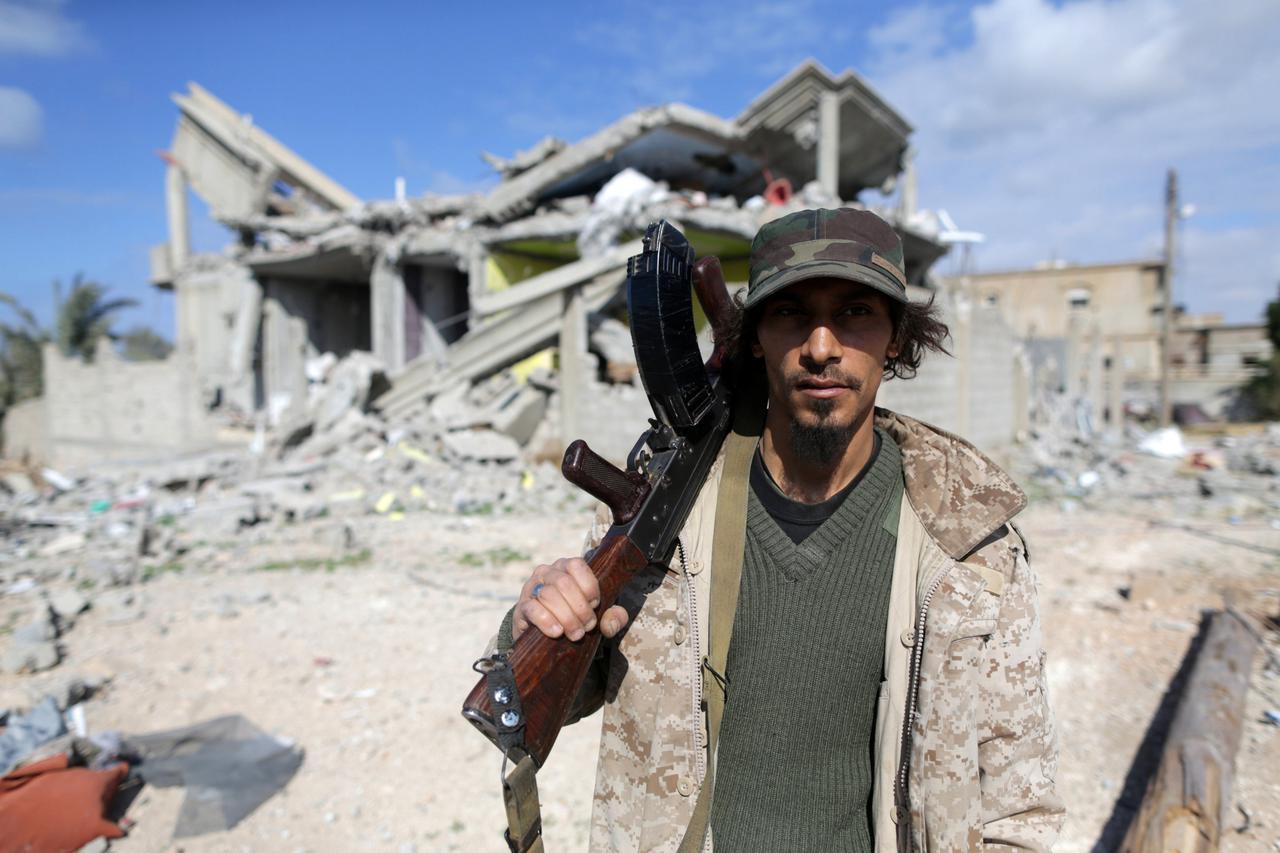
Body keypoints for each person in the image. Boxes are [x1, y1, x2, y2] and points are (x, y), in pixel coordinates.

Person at [496, 208, 1064, 851]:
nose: (822, 347)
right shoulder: (666, 515)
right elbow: (559, 698)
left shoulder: (970, 549)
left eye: (855, 314)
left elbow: (1021, 811)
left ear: (897, 339)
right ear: (757, 337)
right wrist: (536, 622)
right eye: (792, 313)